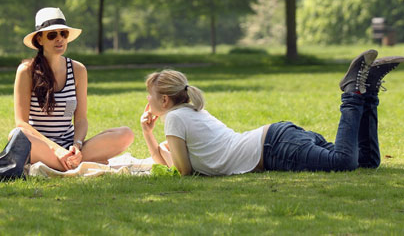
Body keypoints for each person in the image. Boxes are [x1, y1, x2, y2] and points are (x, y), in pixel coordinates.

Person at [140, 50, 404, 176]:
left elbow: (184, 172)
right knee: (367, 161)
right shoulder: (188, 111)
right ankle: (368, 90)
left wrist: (154, 136)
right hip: (279, 139)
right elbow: (172, 163)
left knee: (343, 162)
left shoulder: (175, 118)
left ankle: (352, 91)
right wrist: (148, 133)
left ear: (164, 99)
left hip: (275, 148)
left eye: (149, 96)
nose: (147, 102)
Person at [13, 7, 134, 171]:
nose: (59, 39)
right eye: (52, 35)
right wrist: (55, 149)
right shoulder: (26, 70)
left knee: (126, 134)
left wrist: (77, 145)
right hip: (41, 145)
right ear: (40, 40)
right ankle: (73, 164)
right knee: (16, 135)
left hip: (71, 146)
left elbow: (81, 120)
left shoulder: (78, 69)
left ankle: (67, 163)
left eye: (63, 34)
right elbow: (21, 123)